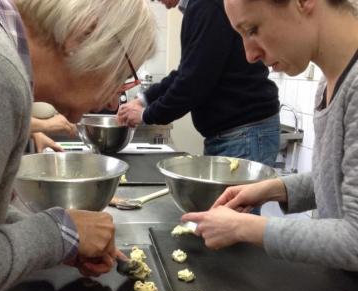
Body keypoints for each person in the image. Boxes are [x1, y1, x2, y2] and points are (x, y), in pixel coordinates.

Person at [0, 0, 155, 291]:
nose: (112, 96)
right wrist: (57, 233)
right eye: (120, 76)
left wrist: (61, 241)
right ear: (83, 33)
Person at [182, 0, 358, 269]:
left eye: (252, 29)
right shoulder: (329, 81)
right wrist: (272, 189)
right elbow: (337, 179)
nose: (249, 55)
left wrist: (245, 228)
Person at [117, 0, 280, 167]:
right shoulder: (200, 7)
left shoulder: (205, 5)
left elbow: (192, 83)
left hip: (244, 135)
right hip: (236, 134)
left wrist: (146, 114)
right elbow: (186, 72)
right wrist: (143, 99)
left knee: (238, 194)